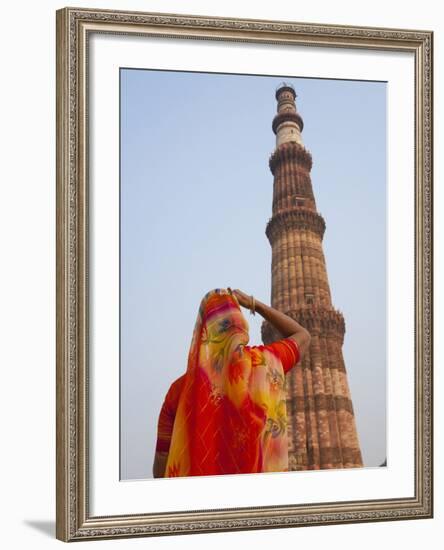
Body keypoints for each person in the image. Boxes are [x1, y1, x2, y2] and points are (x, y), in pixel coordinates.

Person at [152, 288, 311, 478]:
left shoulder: (179, 390)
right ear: (239, 324)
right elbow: (303, 335)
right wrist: (255, 304)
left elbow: (161, 464)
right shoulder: (261, 363)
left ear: (203, 329)